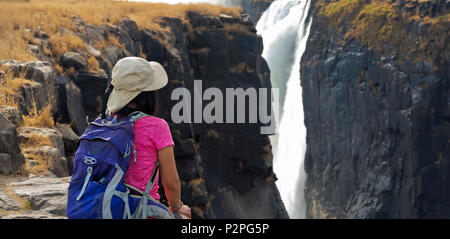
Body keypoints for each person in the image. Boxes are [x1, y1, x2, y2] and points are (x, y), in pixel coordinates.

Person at [106, 56, 191, 219]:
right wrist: (177, 206)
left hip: (106, 206)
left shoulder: (103, 123)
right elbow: (171, 183)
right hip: (140, 211)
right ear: (148, 95)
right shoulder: (157, 126)